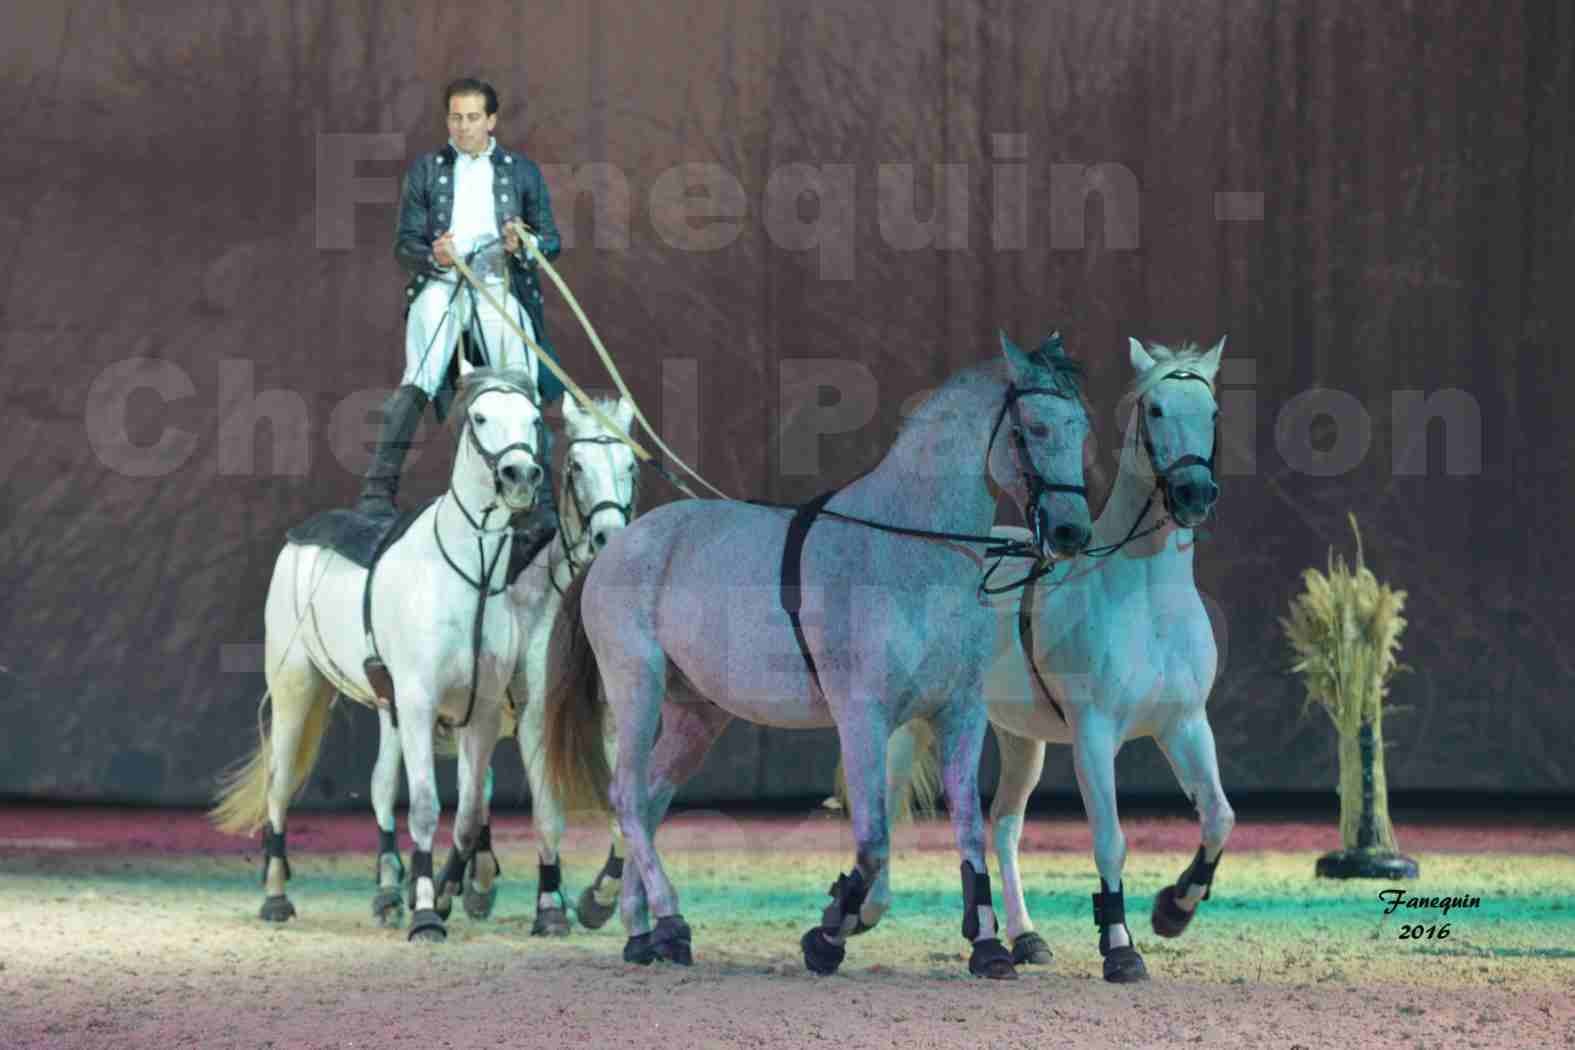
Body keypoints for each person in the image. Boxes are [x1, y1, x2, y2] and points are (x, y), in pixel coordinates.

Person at [356, 76, 565, 533]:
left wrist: (523, 243)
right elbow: (403, 244)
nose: (463, 127)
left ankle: (541, 501)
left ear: (491, 120)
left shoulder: (522, 172)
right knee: (421, 374)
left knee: (523, 382)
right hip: (443, 285)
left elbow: (551, 241)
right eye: (455, 117)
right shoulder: (426, 170)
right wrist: (434, 254)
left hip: (497, 285)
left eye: (473, 117)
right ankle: (376, 493)